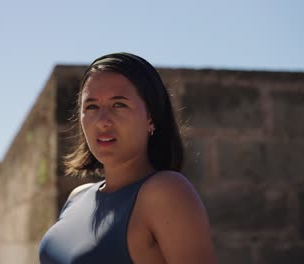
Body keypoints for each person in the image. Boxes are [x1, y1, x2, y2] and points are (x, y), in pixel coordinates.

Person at [39, 52, 217, 264]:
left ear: (151, 117)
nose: (102, 121)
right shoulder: (77, 196)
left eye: (119, 104)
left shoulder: (165, 192)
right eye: (91, 107)